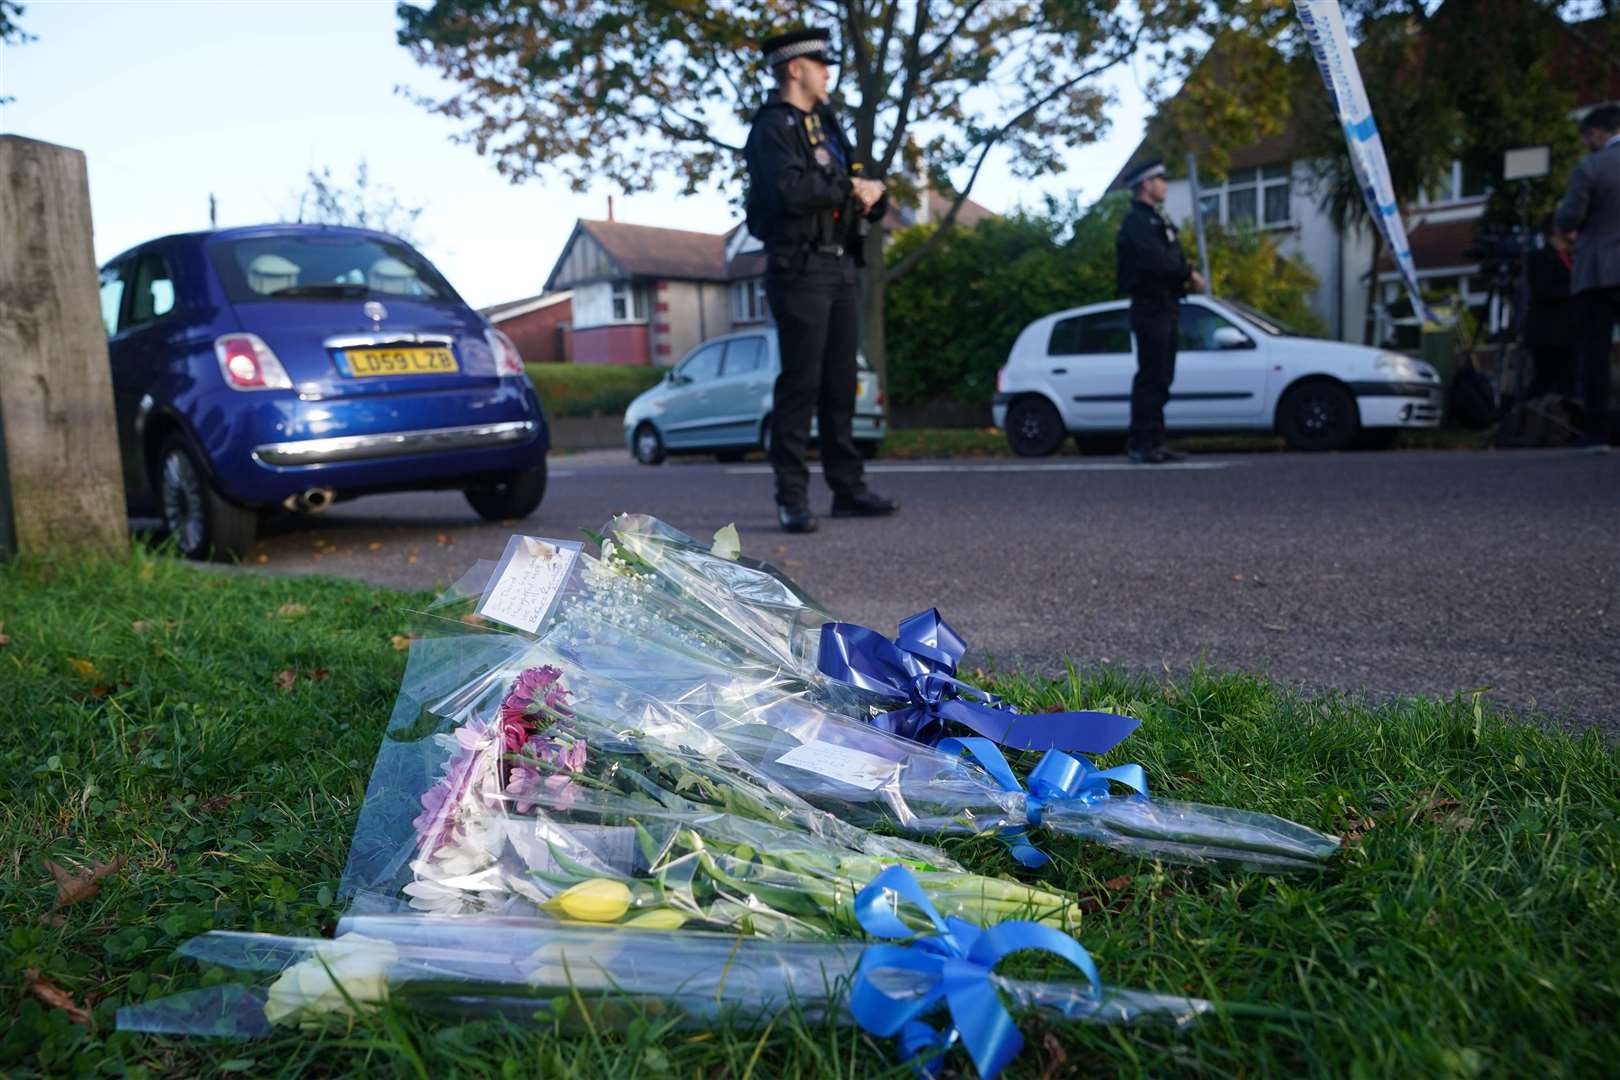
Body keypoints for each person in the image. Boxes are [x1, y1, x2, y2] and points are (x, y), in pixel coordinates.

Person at [743, 27, 896, 533]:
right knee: (800, 386)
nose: (828, 73)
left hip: (838, 266)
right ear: (795, 69)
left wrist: (874, 195)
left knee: (839, 385)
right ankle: (792, 498)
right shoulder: (772, 128)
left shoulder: (827, 123)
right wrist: (846, 186)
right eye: (820, 64)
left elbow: (846, 181)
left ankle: (847, 490)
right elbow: (789, 190)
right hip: (799, 268)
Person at [1115, 159, 1206, 464]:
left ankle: (1155, 441)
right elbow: (1155, 262)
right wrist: (1187, 274)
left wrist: (1184, 276)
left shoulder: (1156, 221)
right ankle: (1142, 443)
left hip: (1166, 305)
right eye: (1160, 179)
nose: (1165, 184)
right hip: (1150, 305)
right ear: (1145, 184)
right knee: (1151, 376)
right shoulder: (1137, 222)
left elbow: (1170, 257)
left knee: (1162, 376)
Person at [1554, 103, 1620, 443]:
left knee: (1596, 353)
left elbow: (1569, 217)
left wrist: (1565, 229)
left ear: (1597, 133)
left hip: (1600, 271)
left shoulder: (1591, 166)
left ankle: (1598, 433)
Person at [1523, 216, 1575, 399]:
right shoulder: (1539, 257)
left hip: (1569, 333)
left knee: (1567, 382)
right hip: (1548, 333)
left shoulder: (1572, 257)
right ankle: (1523, 419)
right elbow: (1542, 290)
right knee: (1544, 381)